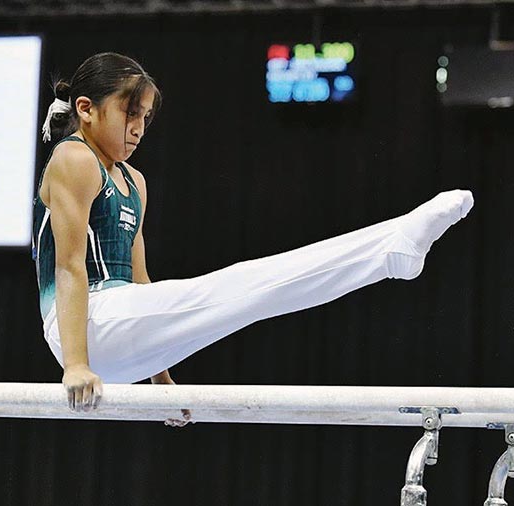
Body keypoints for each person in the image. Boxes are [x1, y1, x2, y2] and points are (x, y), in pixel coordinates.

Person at [31, 52, 474, 427]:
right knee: (243, 285)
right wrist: (75, 364)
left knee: (250, 295)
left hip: (120, 334)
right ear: (86, 109)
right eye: (130, 113)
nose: (139, 128)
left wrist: (161, 385)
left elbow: (144, 287)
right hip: (81, 327)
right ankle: (391, 249)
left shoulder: (134, 182)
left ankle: (390, 252)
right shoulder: (74, 158)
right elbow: (68, 266)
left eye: (146, 117)